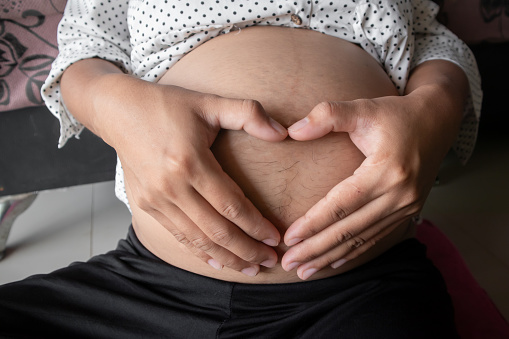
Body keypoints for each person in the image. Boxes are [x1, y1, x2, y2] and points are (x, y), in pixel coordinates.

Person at [0, 0, 480, 337]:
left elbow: (433, 39)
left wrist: (436, 107)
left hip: (362, 290)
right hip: (145, 289)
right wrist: (116, 105)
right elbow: (84, 52)